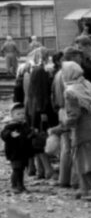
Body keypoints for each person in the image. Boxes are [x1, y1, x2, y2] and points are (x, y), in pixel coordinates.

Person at [62, 61, 91, 201]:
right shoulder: (85, 84)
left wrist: (61, 127)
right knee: (86, 159)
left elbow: (74, 114)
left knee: (85, 161)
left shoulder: (70, 91)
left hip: (83, 130)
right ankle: (85, 189)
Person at [50, 46, 82, 189]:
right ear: (74, 57)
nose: (81, 59)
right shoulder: (69, 74)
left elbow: (52, 95)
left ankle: (64, 178)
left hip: (61, 111)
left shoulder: (58, 73)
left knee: (65, 147)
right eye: (79, 56)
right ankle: (75, 180)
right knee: (75, 146)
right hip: (69, 110)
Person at [24, 47, 56, 180]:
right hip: (39, 109)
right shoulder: (40, 72)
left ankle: (38, 169)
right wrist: (43, 111)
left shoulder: (26, 72)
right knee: (41, 139)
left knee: (35, 137)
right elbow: (42, 92)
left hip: (30, 108)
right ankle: (47, 169)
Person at [2, 103, 36, 193]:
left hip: (23, 151)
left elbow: (27, 135)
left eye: (23, 114)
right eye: (18, 114)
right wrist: (10, 135)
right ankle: (15, 185)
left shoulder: (24, 125)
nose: (21, 116)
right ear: (12, 115)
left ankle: (20, 185)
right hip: (14, 152)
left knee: (21, 168)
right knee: (17, 169)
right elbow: (3, 134)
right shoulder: (10, 126)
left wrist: (32, 133)